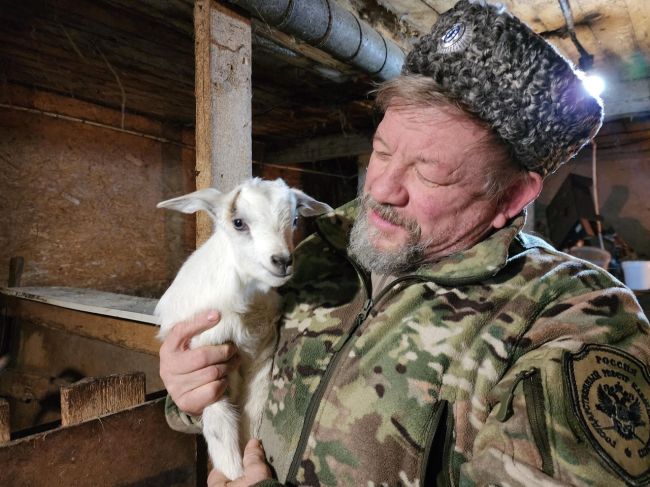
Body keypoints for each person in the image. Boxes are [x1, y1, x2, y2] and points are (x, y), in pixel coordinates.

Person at [159, 1, 650, 485]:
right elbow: (233, 380)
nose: (380, 189)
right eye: (382, 150)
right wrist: (192, 392)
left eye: (430, 173)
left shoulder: (574, 321)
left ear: (512, 195)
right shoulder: (318, 252)